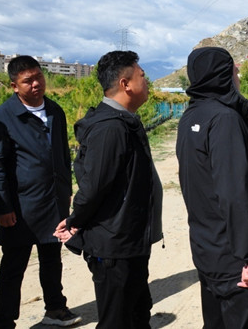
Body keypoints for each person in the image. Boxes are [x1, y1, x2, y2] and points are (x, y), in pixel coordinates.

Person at [54, 51, 163, 329]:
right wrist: (75, 220)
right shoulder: (110, 128)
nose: (146, 81)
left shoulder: (124, 120)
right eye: (142, 76)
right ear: (126, 84)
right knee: (116, 320)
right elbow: (94, 187)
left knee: (137, 313)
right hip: (115, 244)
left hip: (129, 240)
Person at [176, 47, 248, 329]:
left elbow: (242, 163)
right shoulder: (224, 119)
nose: (239, 77)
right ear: (222, 75)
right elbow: (235, 193)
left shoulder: (191, 116)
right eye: (234, 71)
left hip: (210, 250)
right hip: (237, 259)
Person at [0, 56, 82, 328]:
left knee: (52, 258)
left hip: (53, 200)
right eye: (27, 81)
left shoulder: (54, 111)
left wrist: (66, 190)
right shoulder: (4, 117)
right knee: (13, 266)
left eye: (38, 77)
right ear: (14, 86)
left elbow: (62, 154)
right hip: (21, 206)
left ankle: (55, 309)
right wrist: (3, 207)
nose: (36, 84)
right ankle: (4, 321)